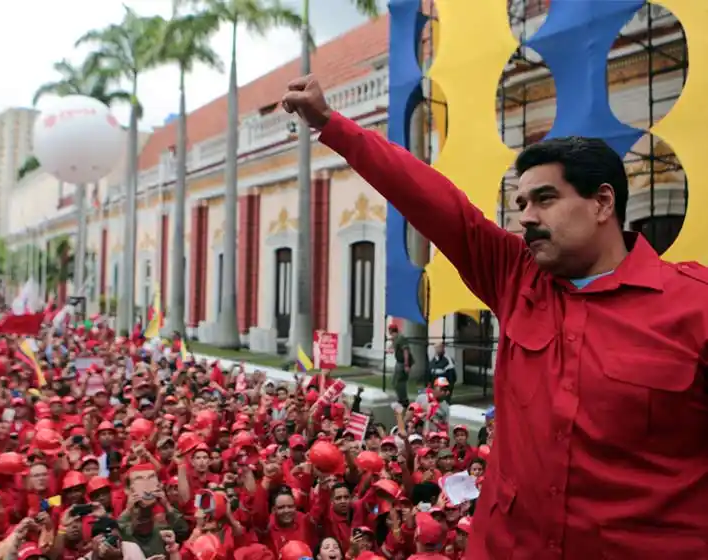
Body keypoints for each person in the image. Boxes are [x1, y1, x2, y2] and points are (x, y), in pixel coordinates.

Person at [282, 74, 708, 558]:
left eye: (545, 199)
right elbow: (432, 200)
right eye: (521, 203)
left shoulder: (695, 305)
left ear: (602, 203)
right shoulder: (515, 276)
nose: (525, 217)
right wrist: (333, 126)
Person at [387, 324, 412, 406]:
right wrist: (390, 347)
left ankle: (404, 400)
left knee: (399, 382)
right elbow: (392, 348)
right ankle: (401, 399)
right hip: (399, 362)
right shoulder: (396, 338)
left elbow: (406, 351)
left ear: (390, 330)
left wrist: (406, 364)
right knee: (395, 382)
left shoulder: (401, 338)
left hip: (402, 363)